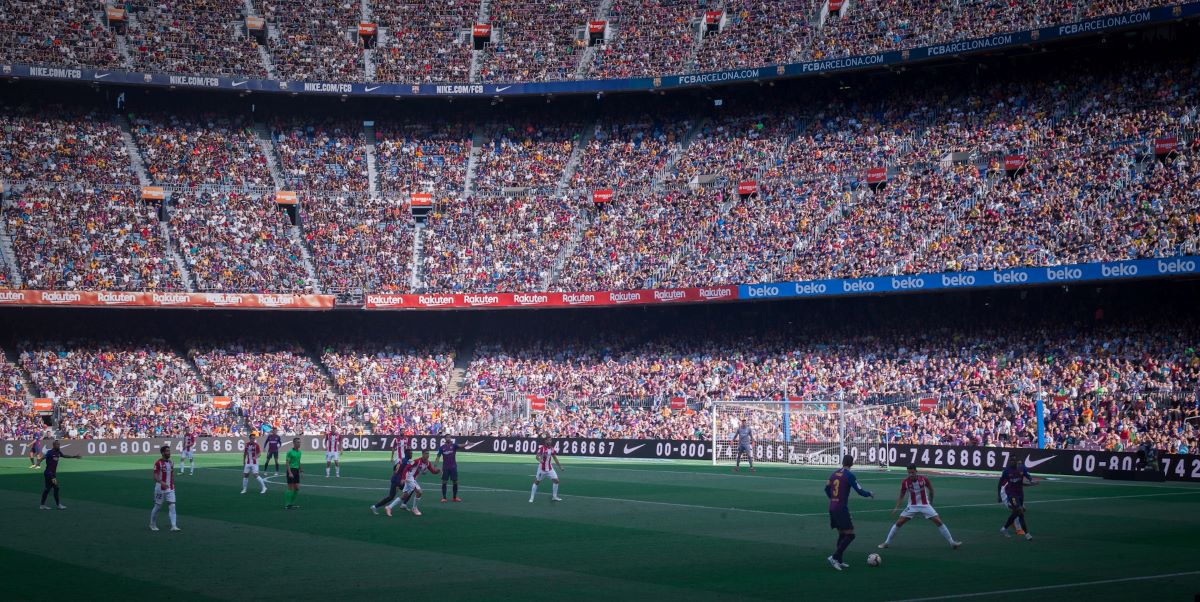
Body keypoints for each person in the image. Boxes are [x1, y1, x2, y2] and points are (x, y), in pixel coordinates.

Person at [878, 465, 960, 549]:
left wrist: (930, 502)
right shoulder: (905, 482)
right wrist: (896, 507)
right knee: (899, 522)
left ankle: (952, 542)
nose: (911, 474)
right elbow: (901, 495)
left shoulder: (924, 479)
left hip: (925, 505)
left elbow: (931, 490)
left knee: (938, 521)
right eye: (909, 473)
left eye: (912, 472)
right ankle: (886, 543)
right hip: (912, 506)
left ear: (916, 471)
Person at [825, 454, 873, 570]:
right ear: (852, 463)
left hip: (832, 507)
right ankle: (834, 557)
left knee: (842, 533)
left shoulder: (834, 473)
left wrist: (833, 499)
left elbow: (826, 488)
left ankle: (839, 561)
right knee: (850, 534)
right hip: (841, 508)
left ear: (842, 462)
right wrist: (869, 494)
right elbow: (859, 490)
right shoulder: (849, 475)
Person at [385, 450, 439, 517]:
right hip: (409, 478)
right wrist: (403, 478)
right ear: (422, 454)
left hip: (413, 479)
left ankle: (389, 507)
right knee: (419, 492)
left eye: (428, 453)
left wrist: (437, 471)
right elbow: (406, 468)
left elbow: (433, 471)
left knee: (405, 495)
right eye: (426, 453)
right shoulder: (417, 461)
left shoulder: (428, 463)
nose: (427, 455)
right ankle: (414, 508)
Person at [999, 457, 1037, 540]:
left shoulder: (1021, 470)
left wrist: (1032, 483)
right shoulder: (1007, 471)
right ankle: (1022, 531)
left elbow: (1020, 483)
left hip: (1019, 494)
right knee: (1019, 510)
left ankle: (1005, 528)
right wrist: (999, 496)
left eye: (1019, 463)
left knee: (1021, 511)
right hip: (1007, 493)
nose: (1019, 465)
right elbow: (1002, 484)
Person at [39, 440, 81, 510]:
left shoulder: (58, 452)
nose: (58, 446)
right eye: (57, 445)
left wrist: (74, 456)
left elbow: (64, 456)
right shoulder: (50, 452)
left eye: (59, 444)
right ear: (54, 445)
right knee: (56, 487)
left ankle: (42, 505)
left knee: (47, 489)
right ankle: (58, 505)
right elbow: (43, 457)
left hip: (51, 473)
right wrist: (39, 462)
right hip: (49, 473)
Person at [371, 447, 411, 516]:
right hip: (398, 480)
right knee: (410, 489)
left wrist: (397, 473)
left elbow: (394, 468)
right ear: (407, 454)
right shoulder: (406, 462)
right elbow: (408, 471)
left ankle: (375, 507)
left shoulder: (401, 460)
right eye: (411, 453)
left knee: (391, 497)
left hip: (394, 478)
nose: (411, 454)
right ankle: (402, 504)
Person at [150, 445, 180, 531]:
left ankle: (173, 526)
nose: (169, 452)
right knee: (157, 506)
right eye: (167, 451)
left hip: (170, 488)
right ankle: (152, 524)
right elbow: (155, 476)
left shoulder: (171, 462)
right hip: (160, 488)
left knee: (172, 505)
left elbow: (170, 475)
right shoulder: (158, 463)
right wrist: (161, 482)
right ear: (163, 453)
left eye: (169, 451)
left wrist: (171, 484)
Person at [529, 436, 563, 503]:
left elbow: (555, 458)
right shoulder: (542, 448)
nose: (550, 441)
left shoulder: (552, 449)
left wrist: (560, 466)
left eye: (551, 440)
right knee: (537, 482)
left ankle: (554, 497)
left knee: (556, 481)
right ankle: (531, 498)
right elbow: (537, 457)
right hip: (542, 469)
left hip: (550, 469)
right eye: (548, 440)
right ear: (546, 441)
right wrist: (540, 460)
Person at [437, 435, 464, 502]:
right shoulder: (442, 447)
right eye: (447, 437)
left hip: (453, 467)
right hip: (445, 467)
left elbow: (460, 445)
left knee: (455, 482)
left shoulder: (454, 446)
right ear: (445, 439)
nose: (448, 438)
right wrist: (435, 465)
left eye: (449, 437)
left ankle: (454, 497)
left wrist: (467, 444)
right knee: (444, 482)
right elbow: (438, 456)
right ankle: (444, 498)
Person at [285, 437, 303, 510]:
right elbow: (287, 463)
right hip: (291, 470)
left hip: (296, 471)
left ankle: (291, 503)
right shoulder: (290, 452)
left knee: (297, 488)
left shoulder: (300, 452)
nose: (299, 444)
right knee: (290, 488)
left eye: (300, 442)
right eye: (298, 442)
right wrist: (290, 473)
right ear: (294, 443)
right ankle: (287, 504)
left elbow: (298, 462)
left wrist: (301, 471)